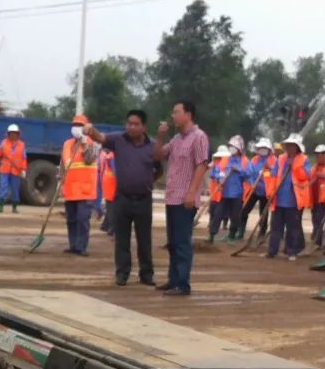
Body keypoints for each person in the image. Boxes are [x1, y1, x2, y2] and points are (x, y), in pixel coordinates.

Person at [85, 110, 159, 287]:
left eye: (136, 124)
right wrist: (90, 129)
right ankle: (122, 273)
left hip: (143, 199)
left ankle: (146, 274)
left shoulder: (153, 146)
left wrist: (146, 181)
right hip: (122, 198)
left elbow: (158, 169)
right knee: (122, 239)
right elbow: (101, 138)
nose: (131, 127)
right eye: (129, 123)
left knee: (144, 239)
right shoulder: (119, 140)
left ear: (144, 127)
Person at [153, 100, 210, 296]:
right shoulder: (177, 139)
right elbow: (158, 155)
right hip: (172, 197)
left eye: (176, 112)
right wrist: (160, 136)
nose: (173, 115)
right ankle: (173, 279)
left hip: (185, 198)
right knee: (173, 241)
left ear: (188, 114)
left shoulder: (199, 137)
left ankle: (183, 284)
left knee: (182, 242)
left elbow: (202, 165)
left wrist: (192, 193)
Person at [265, 133, 311, 260]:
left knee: (293, 228)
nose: (289, 148)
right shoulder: (280, 159)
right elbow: (274, 175)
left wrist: (294, 166)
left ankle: (292, 251)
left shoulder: (304, 159)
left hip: (294, 200)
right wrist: (270, 192)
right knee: (276, 227)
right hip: (279, 198)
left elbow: (306, 176)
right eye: (288, 145)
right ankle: (272, 251)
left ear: (297, 147)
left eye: (292, 146)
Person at [61, 114, 100, 256]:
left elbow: (90, 160)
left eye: (79, 125)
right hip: (70, 188)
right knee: (71, 219)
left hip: (85, 189)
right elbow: (63, 164)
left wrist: (84, 145)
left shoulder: (93, 143)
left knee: (83, 219)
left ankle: (82, 247)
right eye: (74, 125)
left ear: (86, 128)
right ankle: (73, 245)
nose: (76, 128)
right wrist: (61, 180)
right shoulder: (67, 144)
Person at [208, 135, 246, 243]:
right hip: (224, 193)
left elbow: (249, 174)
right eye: (230, 146)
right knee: (217, 214)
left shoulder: (244, 161)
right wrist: (220, 177)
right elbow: (215, 172)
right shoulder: (225, 160)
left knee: (235, 216)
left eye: (234, 146)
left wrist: (239, 170)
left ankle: (232, 236)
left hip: (237, 194)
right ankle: (211, 235)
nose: (231, 148)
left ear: (239, 149)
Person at [241, 138, 275, 239]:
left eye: (264, 148)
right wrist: (252, 183)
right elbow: (249, 172)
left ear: (269, 149)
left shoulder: (274, 160)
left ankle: (262, 232)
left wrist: (270, 168)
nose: (262, 150)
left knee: (263, 213)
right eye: (260, 148)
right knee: (244, 210)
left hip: (266, 192)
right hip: (254, 190)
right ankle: (240, 231)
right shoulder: (254, 160)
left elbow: (278, 175)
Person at [0, 124, 27, 212]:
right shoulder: (3, 143)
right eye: (11, 133)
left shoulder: (22, 145)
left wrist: (23, 169)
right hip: (5, 169)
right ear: (8, 134)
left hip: (16, 170)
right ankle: (0, 207)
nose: (13, 135)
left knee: (15, 189)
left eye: (15, 133)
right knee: (3, 187)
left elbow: (24, 158)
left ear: (18, 134)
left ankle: (14, 208)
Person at [310, 144, 325, 247]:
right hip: (315, 198)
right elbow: (309, 180)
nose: (318, 156)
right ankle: (317, 240)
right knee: (315, 219)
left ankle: (320, 241)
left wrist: (324, 176)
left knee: (322, 220)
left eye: (321, 154)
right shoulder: (314, 168)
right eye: (317, 154)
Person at [98, 149, 117, 236]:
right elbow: (115, 171)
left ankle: (106, 226)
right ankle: (112, 229)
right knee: (112, 208)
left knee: (110, 206)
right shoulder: (113, 156)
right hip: (112, 184)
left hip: (108, 183)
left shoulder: (110, 155)